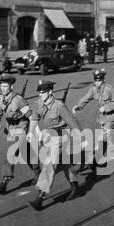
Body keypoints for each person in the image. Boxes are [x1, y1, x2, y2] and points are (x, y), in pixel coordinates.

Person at [27, 81, 82, 210]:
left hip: (61, 137)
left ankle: (40, 196)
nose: (41, 95)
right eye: (39, 93)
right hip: (48, 137)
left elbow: (72, 122)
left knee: (49, 165)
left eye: (43, 92)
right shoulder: (38, 104)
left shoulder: (59, 106)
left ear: (50, 92)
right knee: (63, 163)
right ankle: (75, 186)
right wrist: (30, 133)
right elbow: (34, 119)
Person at [0, 74, 40, 195]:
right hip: (11, 128)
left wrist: (35, 132)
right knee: (26, 151)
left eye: (5, 86)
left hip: (22, 127)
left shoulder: (18, 100)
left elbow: (31, 116)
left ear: (11, 86)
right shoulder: (0, 98)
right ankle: (38, 172)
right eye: (1, 86)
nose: (3, 88)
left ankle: (5, 182)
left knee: (11, 152)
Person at [73, 69, 114, 169]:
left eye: (99, 80)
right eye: (96, 81)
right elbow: (87, 97)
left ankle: (97, 159)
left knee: (104, 137)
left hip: (111, 116)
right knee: (113, 134)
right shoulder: (94, 89)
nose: (97, 82)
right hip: (103, 118)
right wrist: (78, 106)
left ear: (103, 80)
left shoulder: (109, 89)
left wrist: (105, 108)